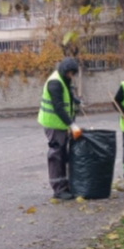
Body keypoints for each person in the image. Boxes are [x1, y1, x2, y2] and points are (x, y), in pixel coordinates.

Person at [38, 58, 83, 201]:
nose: (71, 76)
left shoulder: (64, 80)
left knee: (63, 156)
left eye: (73, 73)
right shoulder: (55, 82)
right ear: (64, 70)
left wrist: (75, 101)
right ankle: (58, 189)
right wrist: (71, 124)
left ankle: (64, 186)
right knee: (56, 157)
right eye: (69, 73)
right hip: (53, 124)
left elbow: (67, 95)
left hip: (61, 125)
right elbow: (58, 106)